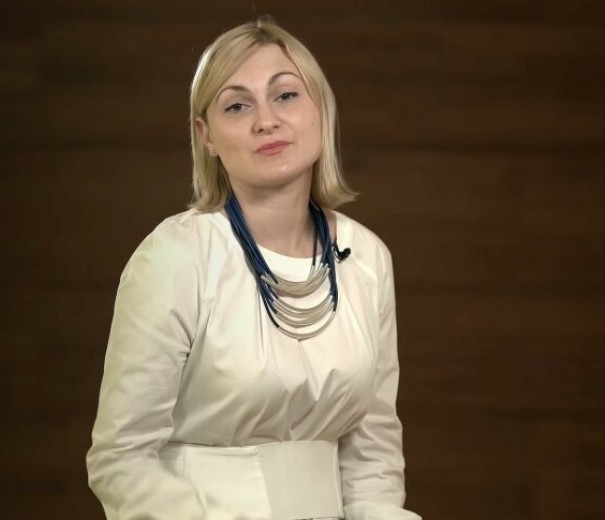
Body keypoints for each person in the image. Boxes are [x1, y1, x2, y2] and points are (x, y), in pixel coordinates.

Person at [86, 17, 421, 520]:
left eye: (285, 96)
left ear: (321, 110)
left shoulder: (367, 257)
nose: (266, 120)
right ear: (207, 136)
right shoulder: (177, 257)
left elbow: (373, 458)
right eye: (237, 106)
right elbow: (121, 458)